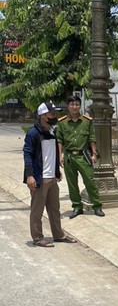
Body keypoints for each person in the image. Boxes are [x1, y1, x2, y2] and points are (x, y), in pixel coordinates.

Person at [23, 101, 77, 247]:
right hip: (39, 178)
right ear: (42, 116)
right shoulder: (33, 133)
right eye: (52, 114)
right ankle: (38, 238)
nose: (55, 116)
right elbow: (27, 154)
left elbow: (51, 155)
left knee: (54, 209)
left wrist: (56, 172)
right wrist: (29, 175)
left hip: (51, 177)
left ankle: (58, 235)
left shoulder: (52, 131)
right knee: (37, 210)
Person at [56, 95, 105, 218]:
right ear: (68, 106)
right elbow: (59, 141)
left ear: (80, 106)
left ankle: (97, 206)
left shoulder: (86, 121)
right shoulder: (62, 123)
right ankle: (77, 207)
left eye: (77, 104)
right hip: (69, 157)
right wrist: (59, 157)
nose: (74, 107)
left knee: (90, 182)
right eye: (72, 104)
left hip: (83, 156)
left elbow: (91, 138)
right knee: (72, 184)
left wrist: (94, 154)